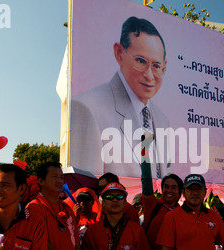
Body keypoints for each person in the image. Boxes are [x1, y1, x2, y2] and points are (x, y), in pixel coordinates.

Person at [70, 16, 171, 178]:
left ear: (164, 66)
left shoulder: (162, 120)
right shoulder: (88, 108)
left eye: (157, 66)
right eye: (141, 61)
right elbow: (87, 186)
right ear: (119, 53)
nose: (150, 76)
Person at [25, 162, 81, 250]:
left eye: (61, 177)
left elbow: (76, 242)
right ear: (41, 181)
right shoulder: (34, 207)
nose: (59, 181)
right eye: (54, 177)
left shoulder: (67, 208)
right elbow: (44, 245)